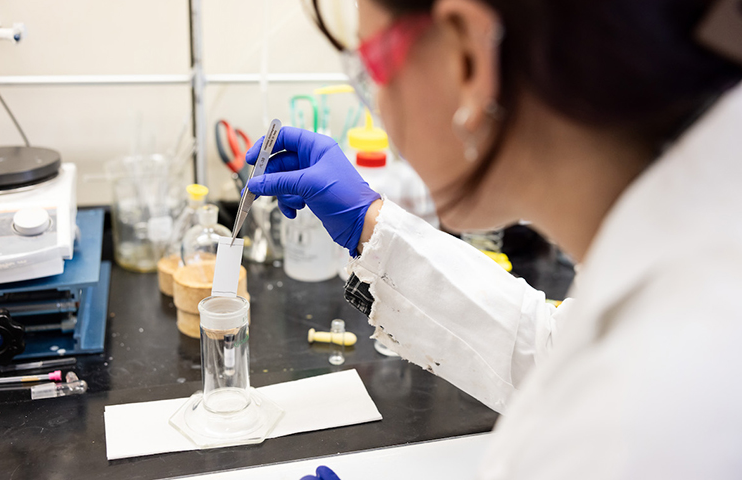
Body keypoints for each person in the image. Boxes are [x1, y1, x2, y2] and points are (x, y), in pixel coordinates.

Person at [245, 0, 742, 478]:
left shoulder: (651, 414)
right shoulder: (688, 251)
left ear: (468, 56)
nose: (377, 99)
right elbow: (552, 354)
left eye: (372, 68)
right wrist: (368, 225)